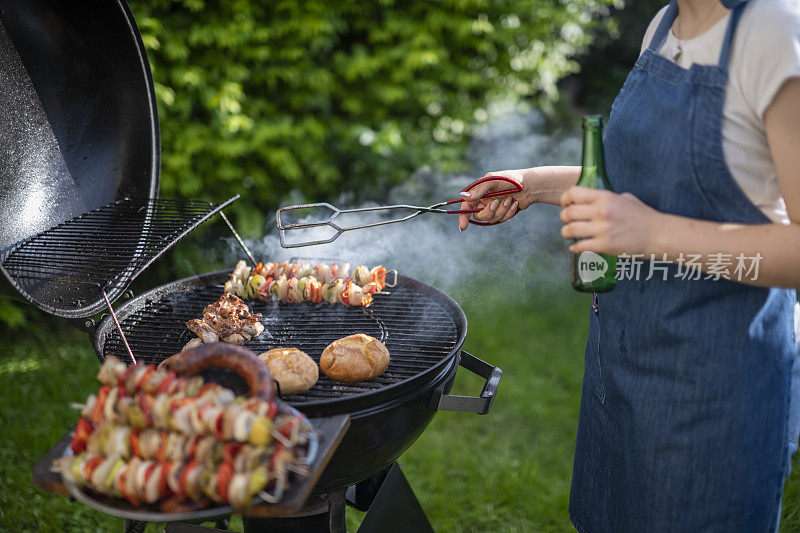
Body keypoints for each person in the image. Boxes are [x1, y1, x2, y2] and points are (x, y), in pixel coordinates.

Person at [458, 0, 800, 530]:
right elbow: (640, 184)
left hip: (714, 389)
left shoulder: (776, 31)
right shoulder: (665, 25)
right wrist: (532, 183)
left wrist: (653, 234)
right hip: (620, 366)